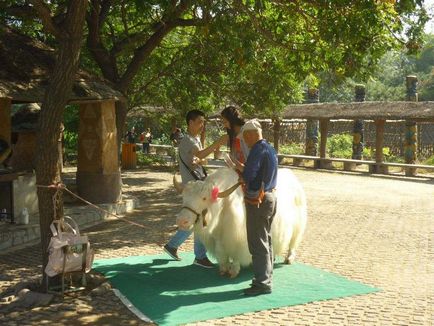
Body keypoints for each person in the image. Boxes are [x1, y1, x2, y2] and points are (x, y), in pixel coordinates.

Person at [164, 109, 227, 268]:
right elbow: (199, 153)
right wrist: (217, 143)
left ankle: (172, 246)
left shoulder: (195, 139)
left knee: (197, 221)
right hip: (194, 189)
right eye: (199, 122)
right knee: (200, 221)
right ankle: (199, 256)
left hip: (197, 187)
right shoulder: (188, 140)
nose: (202, 125)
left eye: (203, 122)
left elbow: (197, 158)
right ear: (190, 122)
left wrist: (201, 161)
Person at [235, 119, 278, 296]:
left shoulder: (257, 150)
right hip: (270, 197)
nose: (244, 140)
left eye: (245, 137)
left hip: (258, 200)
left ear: (251, 134)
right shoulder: (269, 148)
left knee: (257, 242)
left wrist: (241, 172)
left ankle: (262, 283)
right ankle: (266, 277)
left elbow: (250, 174)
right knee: (266, 240)